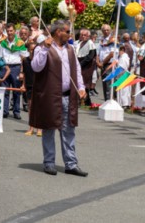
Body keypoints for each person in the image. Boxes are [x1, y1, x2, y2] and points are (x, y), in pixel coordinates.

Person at [31, 20, 88, 177]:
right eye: (67, 31)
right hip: (50, 96)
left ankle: (71, 164)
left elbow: (76, 70)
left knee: (69, 131)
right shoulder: (42, 47)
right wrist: (45, 49)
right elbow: (36, 67)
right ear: (58, 32)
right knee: (49, 129)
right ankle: (49, 163)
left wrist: (81, 87)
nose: (70, 34)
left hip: (68, 96)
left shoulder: (70, 49)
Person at [0, 23, 29, 119]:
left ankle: (16, 111)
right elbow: (0, 56)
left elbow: (24, 58)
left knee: (16, 90)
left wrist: (22, 71)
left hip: (16, 67)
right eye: (8, 31)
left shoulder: (20, 43)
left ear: (15, 31)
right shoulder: (3, 43)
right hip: (5, 67)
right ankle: (5, 111)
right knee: (5, 90)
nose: (9, 33)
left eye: (11, 31)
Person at [21, 42, 42, 137]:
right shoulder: (25, 61)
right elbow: (24, 74)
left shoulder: (40, 61)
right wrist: (23, 85)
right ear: (28, 50)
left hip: (39, 86)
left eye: (34, 49)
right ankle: (31, 128)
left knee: (39, 107)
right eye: (31, 49)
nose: (33, 51)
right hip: (29, 85)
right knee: (30, 107)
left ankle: (39, 129)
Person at [75, 28, 96, 106]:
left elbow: (90, 57)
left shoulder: (90, 43)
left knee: (85, 82)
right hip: (79, 63)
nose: (83, 36)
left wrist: (80, 64)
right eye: (82, 35)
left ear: (88, 36)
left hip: (86, 66)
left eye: (85, 35)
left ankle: (86, 101)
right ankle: (81, 100)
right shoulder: (78, 43)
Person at [96, 24, 117, 100]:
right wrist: (98, 62)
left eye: (107, 30)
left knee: (109, 85)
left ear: (110, 31)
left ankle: (109, 102)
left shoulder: (113, 40)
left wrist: (102, 63)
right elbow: (97, 53)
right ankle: (106, 102)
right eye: (104, 30)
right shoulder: (101, 40)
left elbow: (112, 54)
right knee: (104, 85)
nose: (106, 31)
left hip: (109, 65)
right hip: (102, 65)